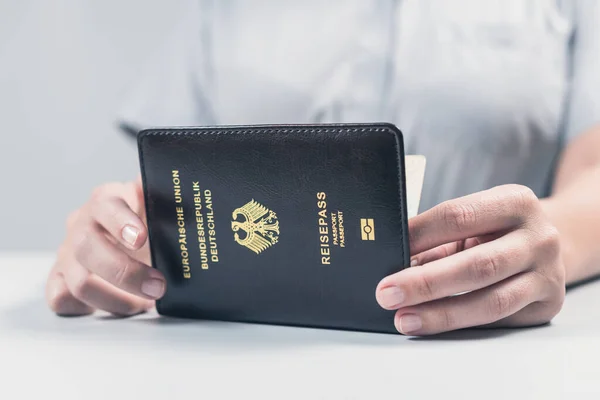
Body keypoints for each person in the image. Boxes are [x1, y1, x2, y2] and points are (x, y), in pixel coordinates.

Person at [46, 1, 600, 335]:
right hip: (244, 360)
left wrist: (549, 247)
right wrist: (121, 234)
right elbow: (171, 173)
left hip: (487, 353)